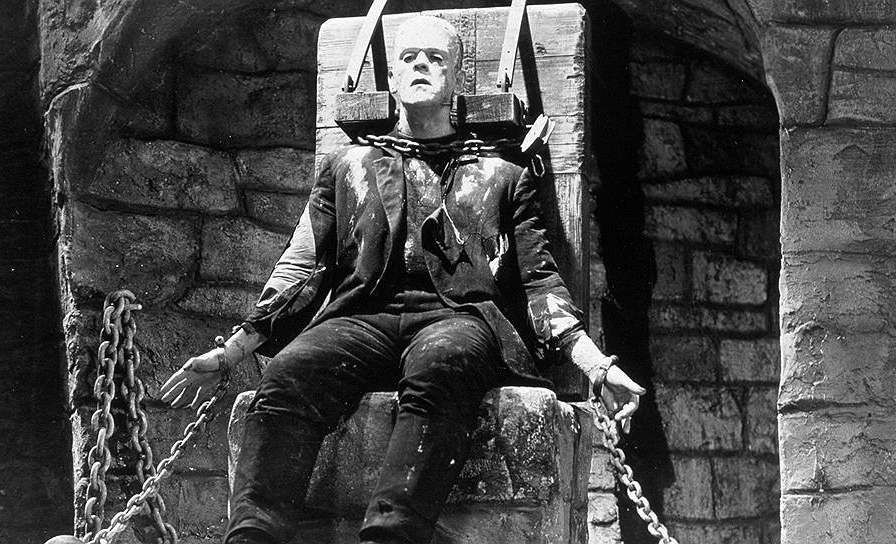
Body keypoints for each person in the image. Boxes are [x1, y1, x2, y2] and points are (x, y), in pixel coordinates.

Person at [161, 15, 645, 544]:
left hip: (456, 319)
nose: (420, 66)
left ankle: (392, 535)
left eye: (436, 59)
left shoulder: (503, 176)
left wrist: (597, 366)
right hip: (363, 319)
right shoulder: (348, 167)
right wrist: (230, 353)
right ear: (392, 79)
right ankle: (253, 535)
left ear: (456, 80)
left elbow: (540, 282)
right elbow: (302, 270)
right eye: (409, 58)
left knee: (445, 361)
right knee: (289, 372)